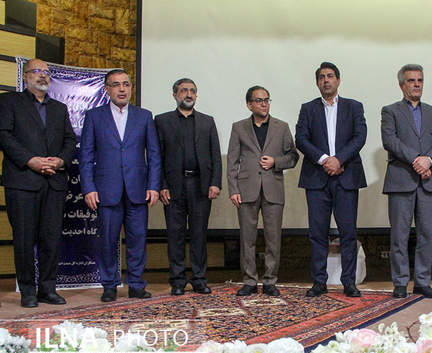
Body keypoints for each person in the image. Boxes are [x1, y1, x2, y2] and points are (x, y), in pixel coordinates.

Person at [79, 69, 161, 302]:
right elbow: (86, 156)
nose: (122, 89)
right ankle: (109, 285)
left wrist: (153, 186)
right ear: (107, 89)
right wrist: (89, 188)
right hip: (106, 190)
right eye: (116, 85)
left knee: (137, 240)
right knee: (107, 240)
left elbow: (154, 154)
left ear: (131, 88)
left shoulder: (144, 116)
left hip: (138, 189)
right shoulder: (94, 116)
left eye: (126, 84)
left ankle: (136, 284)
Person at [0, 58, 76, 308]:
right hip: (22, 181)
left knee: (50, 239)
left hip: (54, 181)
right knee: (24, 238)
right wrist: (30, 160)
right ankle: (28, 291)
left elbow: (69, 140)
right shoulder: (9, 102)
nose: (42, 75)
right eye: (36, 71)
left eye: (46, 72)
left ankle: (47, 289)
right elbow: (4, 135)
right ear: (25, 76)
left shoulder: (59, 108)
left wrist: (61, 160)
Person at [295, 62, 367, 298]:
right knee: (317, 233)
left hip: (346, 176)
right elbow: (301, 139)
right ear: (317, 82)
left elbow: (360, 136)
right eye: (322, 77)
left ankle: (349, 282)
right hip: (317, 177)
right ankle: (319, 282)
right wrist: (325, 159)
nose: (326, 80)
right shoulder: (308, 108)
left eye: (330, 76)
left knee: (348, 232)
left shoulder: (354, 107)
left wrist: (339, 159)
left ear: (338, 80)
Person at [381, 64, 432, 299]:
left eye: (420, 80)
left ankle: (422, 282)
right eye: (411, 80)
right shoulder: (390, 111)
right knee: (399, 236)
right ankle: (400, 282)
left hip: (428, 181)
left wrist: (428, 160)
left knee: (427, 234)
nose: (417, 84)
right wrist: (417, 160)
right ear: (402, 85)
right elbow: (390, 140)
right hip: (402, 180)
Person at [227, 86, 299, 296]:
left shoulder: (281, 127)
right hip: (246, 189)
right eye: (259, 100)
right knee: (247, 238)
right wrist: (233, 189)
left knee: (273, 238)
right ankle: (249, 281)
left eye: (267, 100)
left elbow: (293, 157)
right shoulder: (239, 127)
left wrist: (276, 162)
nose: (264, 104)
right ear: (249, 104)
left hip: (273, 189)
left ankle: (270, 281)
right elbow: (232, 161)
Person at [155, 78, 221, 296]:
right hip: (173, 187)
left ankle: (199, 279)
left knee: (199, 234)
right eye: (184, 90)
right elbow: (157, 157)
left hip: (200, 185)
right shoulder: (162, 121)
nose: (189, 94)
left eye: (192, 91)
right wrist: (161, 185)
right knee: (175, 235)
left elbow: (215, 156)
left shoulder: (207, 121)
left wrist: (215, 183)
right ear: (175, 95)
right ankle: (177, 280)